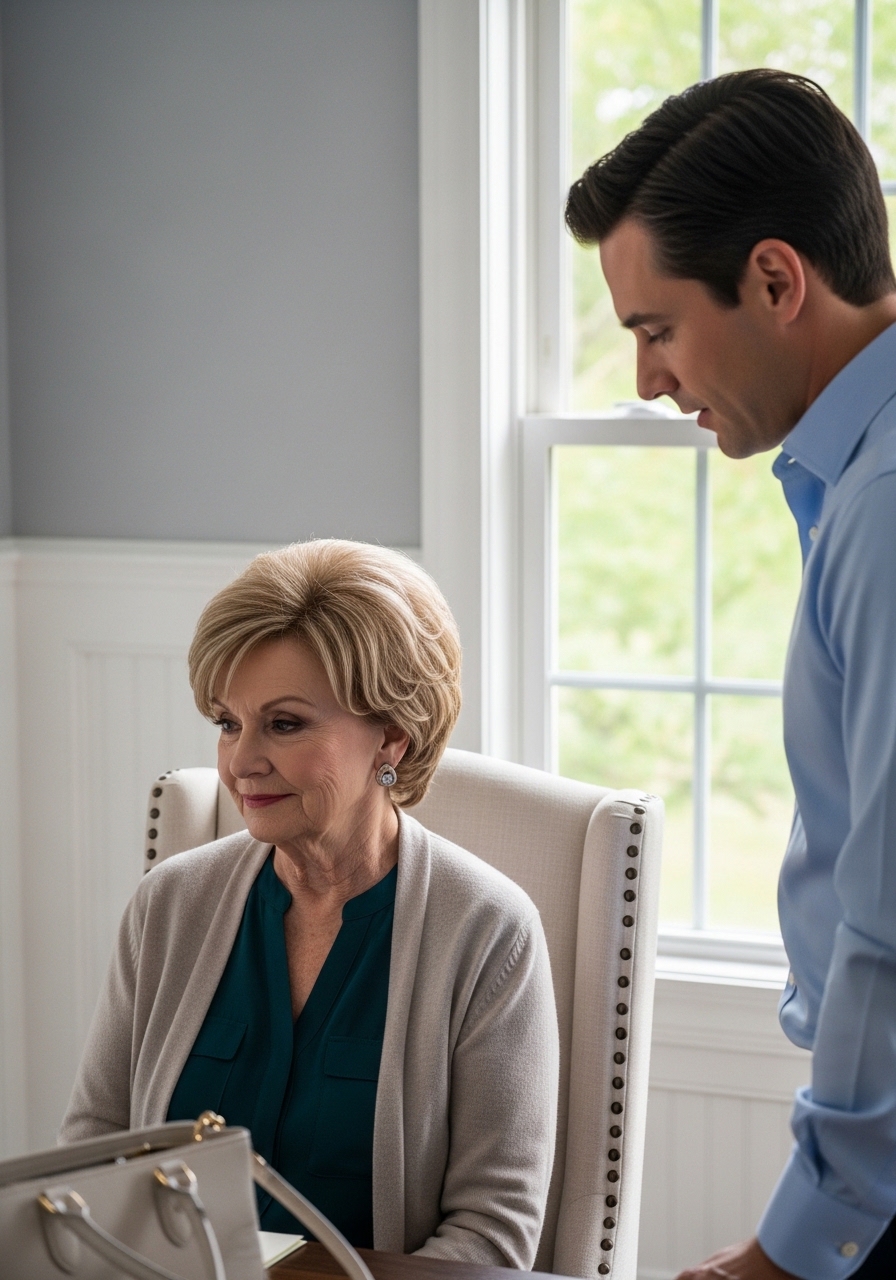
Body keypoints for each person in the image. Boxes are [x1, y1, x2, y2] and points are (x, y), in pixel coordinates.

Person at [565, 69, 896, 1280]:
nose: (645, 380)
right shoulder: (854, 477)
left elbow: (889, 920)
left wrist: (797, 1243)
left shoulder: (884, 503)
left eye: (654, 329)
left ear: (772, 280)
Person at [61, 539, 559, 1266]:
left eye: (285, 724)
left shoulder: (488, 931)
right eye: (228, 723)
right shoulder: (169, 904)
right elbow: (90, 1157)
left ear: (393, 737)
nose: (240, 762)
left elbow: (490, 1234)